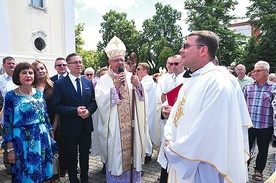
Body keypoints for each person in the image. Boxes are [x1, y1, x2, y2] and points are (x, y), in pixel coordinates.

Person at [163, 30, 250, 182]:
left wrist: (174, 150)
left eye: (186, 46)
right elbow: (176, 116)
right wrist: (169, 137)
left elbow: (207, 130)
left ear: (203, 50)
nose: (181, 50)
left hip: (202, 167)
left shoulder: (219, 82)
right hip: (180, 156)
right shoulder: (191, 79)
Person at [95, 36, 148, 182]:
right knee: (116, 157)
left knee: (133, 155)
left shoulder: (131, 76)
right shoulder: (103, 80)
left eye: (121, 60)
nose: (120, 63)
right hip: (115, 129)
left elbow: (142, 100)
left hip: (131, 128)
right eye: (116, 60)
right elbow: (100, 100)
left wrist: (138, 86)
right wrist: (115, 88)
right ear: (109, 62)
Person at [3, 62, 54, 182]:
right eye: (24, 72)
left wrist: (50, 130)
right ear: (18, 76)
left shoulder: (39, 93)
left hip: (41, 137)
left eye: (31, 72)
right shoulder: (11, 95)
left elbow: (45, 114)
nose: (28, 75)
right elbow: (7, 123)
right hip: (22, 140)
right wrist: (10, 149)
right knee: (24, 174)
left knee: (41, 172)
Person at [52, 53, 97, 183]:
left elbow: (94, 102)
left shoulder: (87, 82)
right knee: (71, 157)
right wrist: (74, 110)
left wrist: (88, 111)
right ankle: (73, 179)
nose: (79, 65)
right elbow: (56, 106)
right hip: (69, 127)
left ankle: (84, 179)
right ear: (68, 66)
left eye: (80, 62)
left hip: (86, 126)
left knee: (84, 156)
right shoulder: (60, 84)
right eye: (75, 62)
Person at [32, 60, 67, 180]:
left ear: (46, 70)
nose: (40, 71)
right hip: (35, 125)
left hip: (53, 122)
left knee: (55, 150)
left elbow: (58, 108)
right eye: (37, 69)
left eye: (42, 68)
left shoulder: (54, 85)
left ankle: (55, 174)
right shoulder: (30, 87)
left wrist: (54, 125)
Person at [243, 60, 276, 181]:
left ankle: (259, 170)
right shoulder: (248, 88)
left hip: (265, 126)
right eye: (254, 70)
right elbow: (241, 105)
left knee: (263, 150)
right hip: (249, 125)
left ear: (267, 72)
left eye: (258, 70)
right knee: (246, 148)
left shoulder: (273, 88)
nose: (255, 73)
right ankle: (243, 168)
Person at [157, 54, 186, 183]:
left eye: (176, 64)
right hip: (169, 123)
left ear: (183, 63)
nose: (172, 66)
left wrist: (172, 111)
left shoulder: (187, 80)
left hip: (181, 126)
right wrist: (163, 110)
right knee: (166, 159)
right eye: (171, 63)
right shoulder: (168, 79)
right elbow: (166, 100)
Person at [136, 62, 156, 163]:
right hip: (143, 109)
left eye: (139, 69)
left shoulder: (148, 81)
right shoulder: (143, 80)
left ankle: (148, 153)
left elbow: (141, 89)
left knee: (146, 131)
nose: (137, 71)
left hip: (148, 110)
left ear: (145, 70)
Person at [0, 56, 17, 175]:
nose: (12, 65)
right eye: (9, 63)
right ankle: (9, 165)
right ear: (3, 65)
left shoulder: (18, 78)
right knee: (7, 140)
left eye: (13, 63)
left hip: (19, 116)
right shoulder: (0, 79)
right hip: (4, 115)